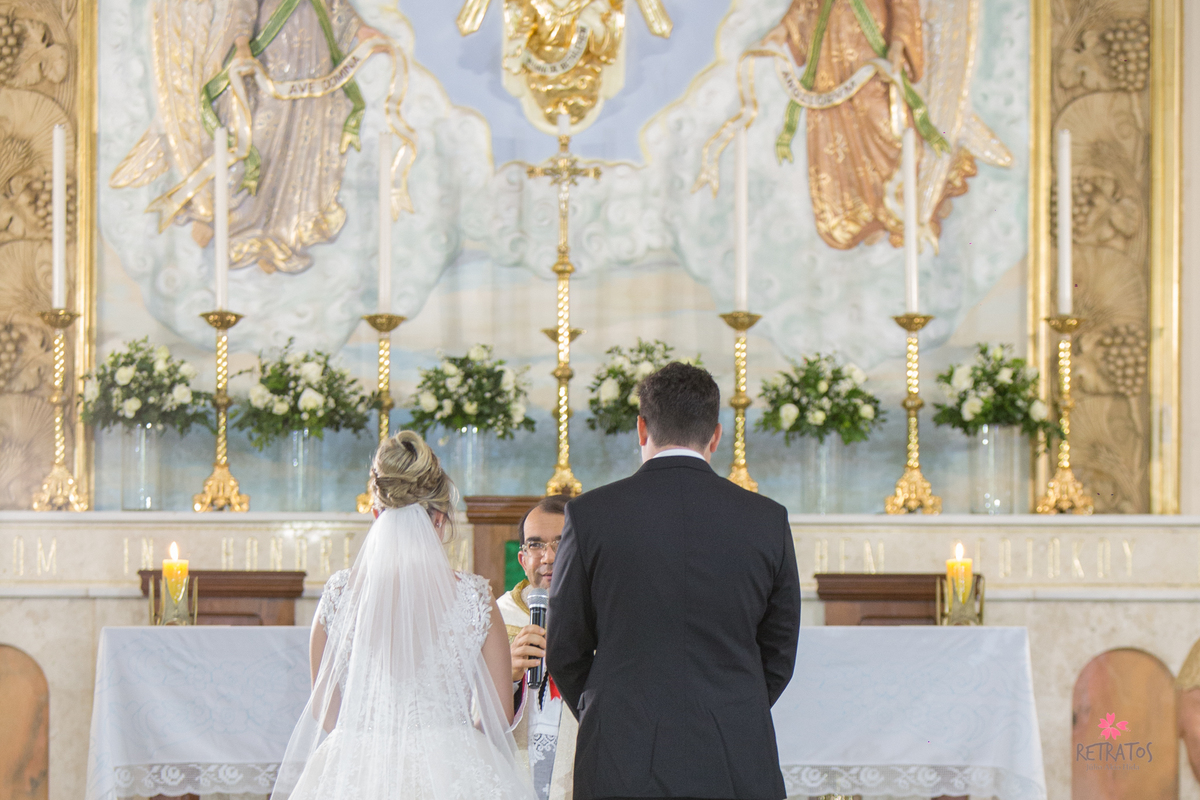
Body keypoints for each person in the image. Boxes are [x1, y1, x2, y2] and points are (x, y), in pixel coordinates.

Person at [547, 362, 802, 800]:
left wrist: (609, 712)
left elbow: (565, 649)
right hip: (735, 753)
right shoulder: (767, 519)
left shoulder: (590, 515)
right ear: (716, 436)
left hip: (620, 752)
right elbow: (779, 652)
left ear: (641, 428)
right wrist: (732, 709)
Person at [271, 430, 535, 800]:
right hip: (454, 770)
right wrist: (459, 746)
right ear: (440, 518)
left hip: (358, 767)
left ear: (376, 513)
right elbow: (499, 715)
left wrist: (365, 742)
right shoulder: (475, 597)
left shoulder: (338, 595)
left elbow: (324, 707)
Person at [497, 494, 575, 800]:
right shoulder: (496, 620)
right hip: (515, 774)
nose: (548, 557)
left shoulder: (605, 618)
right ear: (522, 559)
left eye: (561, 542)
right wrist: (508, 677)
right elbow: (467, 715)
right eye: (536, 545)